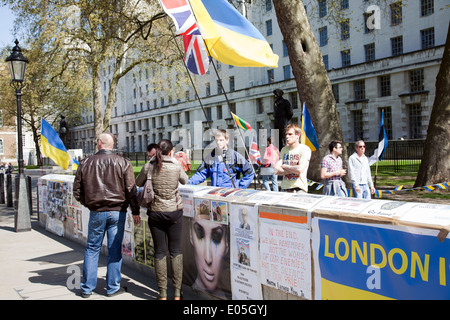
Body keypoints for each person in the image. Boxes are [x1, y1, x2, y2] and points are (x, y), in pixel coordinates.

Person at [73, 132, 141, 298]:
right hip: (118, 211)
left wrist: (89, 203)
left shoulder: (86, 162)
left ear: (99, 144)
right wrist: (136, 211)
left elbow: (77, 191)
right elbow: (131, 190)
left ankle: (87, 288)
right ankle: (112, 287)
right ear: (113, 145)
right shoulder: (123, 162)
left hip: (97, 211)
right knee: (114, 249)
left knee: (92, 248)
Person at [136, 139, 188, 300]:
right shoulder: (176, 165)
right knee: (175, 251)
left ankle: (162, 293)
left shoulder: (149, 166)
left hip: (156, 213)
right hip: (174, 212)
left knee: (159, 251)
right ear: (171, 151)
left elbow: (138, 183)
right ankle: (178, 293)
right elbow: (185, 181)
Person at [189, 129, 254, 189]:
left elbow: (250, 173)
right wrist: (187, 183)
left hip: (230, 195)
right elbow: (201, 174)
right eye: (216, 140)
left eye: (221, 140)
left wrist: (239, 188)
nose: (218, 142)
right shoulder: (210, 157)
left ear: (227, 140)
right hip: (216, 194)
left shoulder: (235, 156)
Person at [274, 123, 311, 193]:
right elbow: (276, 170)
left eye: (290, 134)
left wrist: (285, 166)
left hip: (299, 189)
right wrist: (293, 169)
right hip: (284, 189)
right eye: (286, 134)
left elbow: (300, 169)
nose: (287, 137)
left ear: (298, 135)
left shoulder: (304, 149)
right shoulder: (284, 150)